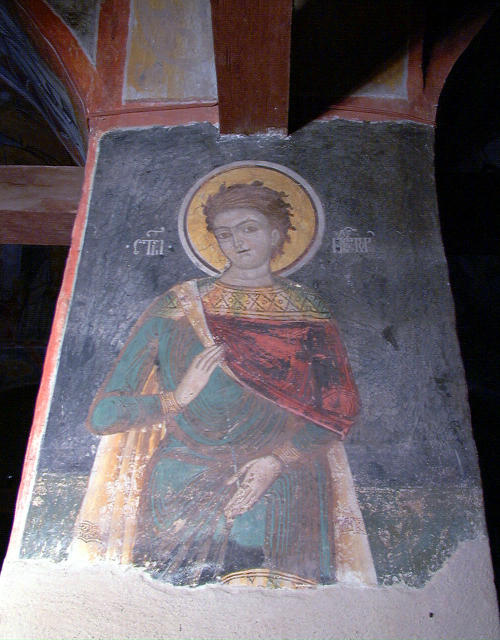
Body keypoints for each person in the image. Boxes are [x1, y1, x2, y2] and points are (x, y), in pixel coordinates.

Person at [74, 181, 375, 587]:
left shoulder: (307, 310)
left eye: (249, 228)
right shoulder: (180, 306)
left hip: (282, 481)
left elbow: (339, 411)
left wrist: (276, 461)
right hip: (181, 480)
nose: (237, 242)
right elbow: (103, 416)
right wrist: (177, 398)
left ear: (277, 234)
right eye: (225, 233)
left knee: (283, 604)